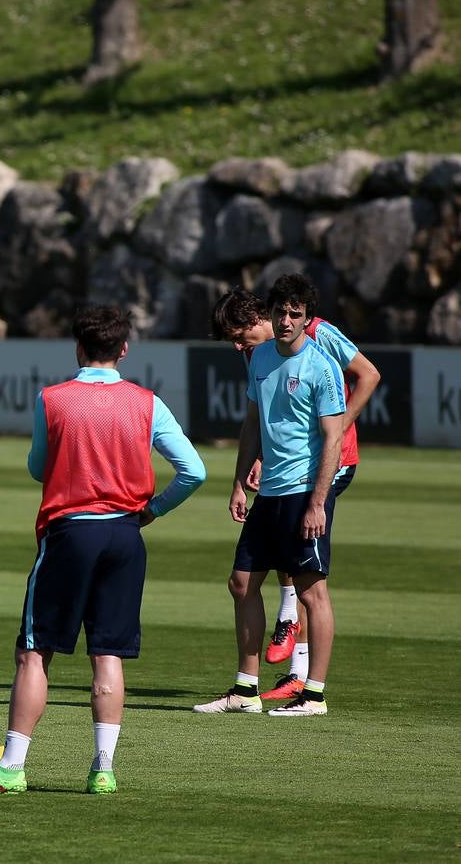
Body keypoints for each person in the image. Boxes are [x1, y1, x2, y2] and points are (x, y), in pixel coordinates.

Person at [0, 306, 204, 796]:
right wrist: (152, 510)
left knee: (34, 651)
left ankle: (11, 768)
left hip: (72, 531)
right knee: (107, 652)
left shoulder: (54, 399)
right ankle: (103, 769)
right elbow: (193, 470)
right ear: (124, 349)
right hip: (125, 535)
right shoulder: (146, 402)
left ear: (78, 347)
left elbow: (37, 468)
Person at [209, 282, 379, 700]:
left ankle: (299, 652)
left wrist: (339, 427)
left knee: (304, 573)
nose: (236, 346)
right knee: (253, 575)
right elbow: (268, 418)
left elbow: (369, 375)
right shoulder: (262, 354)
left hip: (331, 464)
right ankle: (286, 676)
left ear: (256, 319)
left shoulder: (319, 336)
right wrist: (253, 466)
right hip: (280, 472)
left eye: (237, 336)